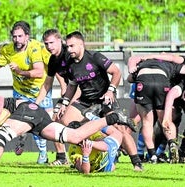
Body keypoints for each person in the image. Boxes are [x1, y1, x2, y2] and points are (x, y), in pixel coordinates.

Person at [0, 95, 135, 176]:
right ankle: (113, 118)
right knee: (73, 137)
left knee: (1, 134)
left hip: (26, 109)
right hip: (36, 115)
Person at [0, 21, 51, 164]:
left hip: (40, 91)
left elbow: (38, 72)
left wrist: (18, 71)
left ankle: (58, 156)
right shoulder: (8, 49)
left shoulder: (34, 47)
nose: (17, 40)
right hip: (20, 93)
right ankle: (36, 149)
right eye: (14, 37)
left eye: (20, 36)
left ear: (27, 36)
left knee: (47, 123)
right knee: (21, 121)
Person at [55, 31, 142, 171]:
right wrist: (64, 103)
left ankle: (137, 163)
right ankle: (88, 153)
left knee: (121, 130)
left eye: (72, 46)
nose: (69, 49)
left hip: (104, 99)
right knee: (65, 122)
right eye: (68, 46)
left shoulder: (95, 57)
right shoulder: (69, 64)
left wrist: (111, 90)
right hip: (86, 101)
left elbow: (116, 72)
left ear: (81, 44)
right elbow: (72, 85)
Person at [127, 54, 185, 164]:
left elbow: (130, 78)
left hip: (143, 81)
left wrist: (132, 69)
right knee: (166, 120)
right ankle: (172, 143)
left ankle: (152, 154)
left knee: (147, 123)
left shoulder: (143, 62)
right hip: (162, 82)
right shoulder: (171, 65)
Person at [35, 29, 81, 166]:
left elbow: (80, 82)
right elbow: (47, 84)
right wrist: (35, 104)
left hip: (85, 91)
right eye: (46, 44)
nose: (49, 47)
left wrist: (67, 105)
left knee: (71, 121)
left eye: (52, 43)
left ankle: (111, 148)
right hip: (71, 93)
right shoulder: (53, 60)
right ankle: (62, 157)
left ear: (60, 41)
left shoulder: (70, 55)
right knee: (53, 121)